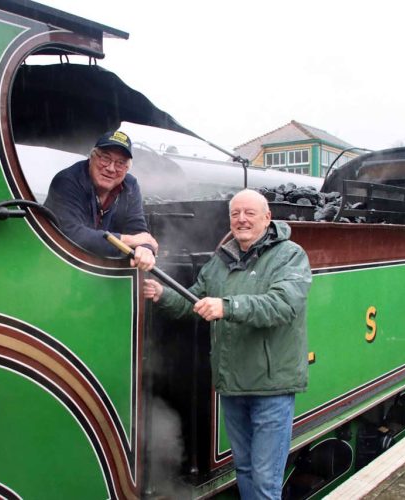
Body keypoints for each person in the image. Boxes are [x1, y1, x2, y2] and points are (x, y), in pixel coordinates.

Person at [143, 189, 311, 500]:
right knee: (245, 469)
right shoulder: (220, 261)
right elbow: (192, 300)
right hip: (233, 385)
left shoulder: (290, 255)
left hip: (271, 387)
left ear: (267, 218)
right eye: (235, 214)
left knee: (264, 480)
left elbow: (284, 305)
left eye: (249, 213)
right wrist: (162, 294)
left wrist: (227, 306)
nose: (242, 219)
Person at [45, 130, 157, 271]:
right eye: (105, 158)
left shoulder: (130, 186)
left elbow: (139, 232)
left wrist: (145, 249)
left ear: (127, 168)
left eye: (120, 163)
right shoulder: (67, 181)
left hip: (102, 273)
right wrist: (131, 241)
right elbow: (72, 235)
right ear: (91, 157)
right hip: (57, 266)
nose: (111, 168)